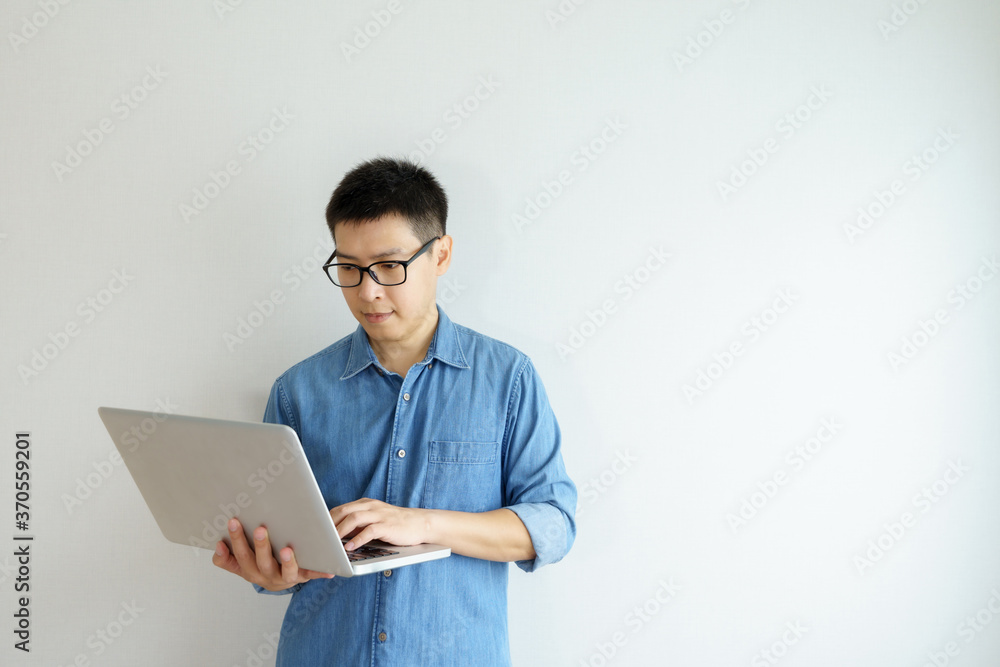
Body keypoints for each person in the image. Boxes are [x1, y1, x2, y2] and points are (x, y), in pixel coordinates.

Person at [211, 157, 577, 665]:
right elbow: (280, 546)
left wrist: (424, 524)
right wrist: (271, 572)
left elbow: (552, 526)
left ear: (441, 254)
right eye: (348, 268)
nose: (367, 291)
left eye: (389, 265)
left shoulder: (507, 378)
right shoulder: (297, 391)